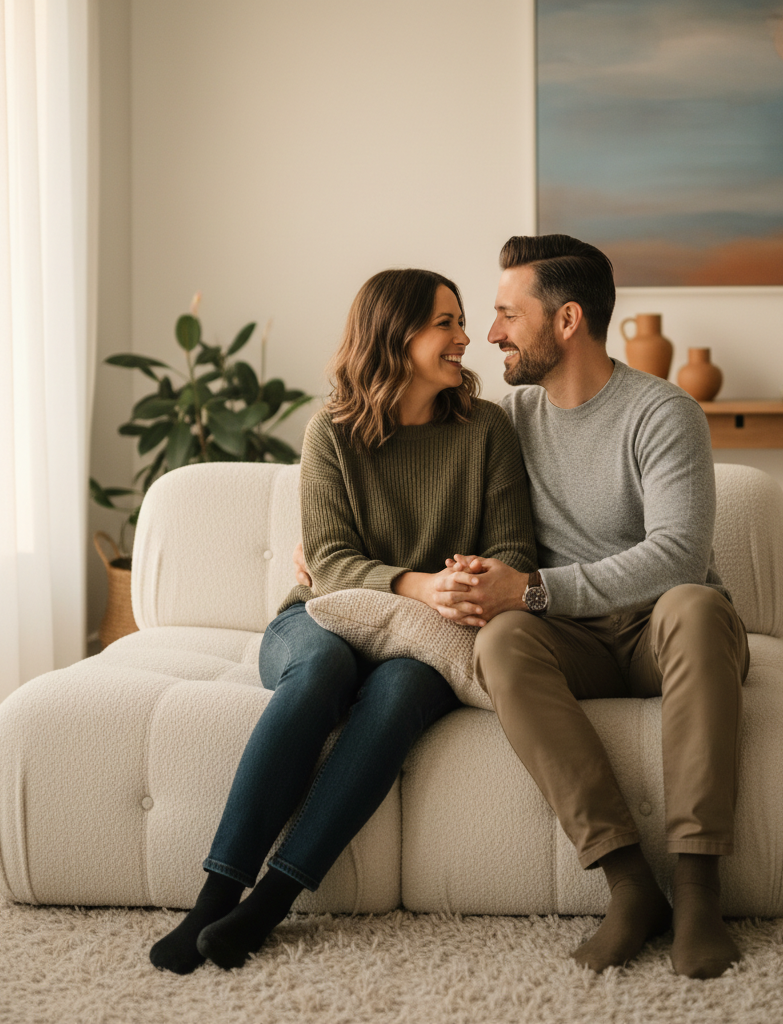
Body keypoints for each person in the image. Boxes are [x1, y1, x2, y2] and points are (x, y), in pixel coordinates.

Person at [149, 268, 536, 974]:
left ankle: (269, 903)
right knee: (324, 668)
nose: (464, 338)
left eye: (460, 321)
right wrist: (422, 581)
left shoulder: (486, 429)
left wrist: (474, 580)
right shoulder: (332, 429)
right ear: (396, 335)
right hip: (320, 622)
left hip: (425, 640)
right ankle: (215, 896)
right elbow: (328, 561)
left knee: (398, 690)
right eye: (445, 323)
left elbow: (514, 548)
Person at [435, 235, 750, 980]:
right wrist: (326, 545)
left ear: (567, 320)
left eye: (508, 314)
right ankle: (630, 884)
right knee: (503, 642)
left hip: (663, 633)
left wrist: (536, 588)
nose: (491, 335)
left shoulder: (663, 412)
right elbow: (417, 482)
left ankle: (700, 889)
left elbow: (676, 554)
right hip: (569, 642)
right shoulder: (506, 419)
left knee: (696, 606)